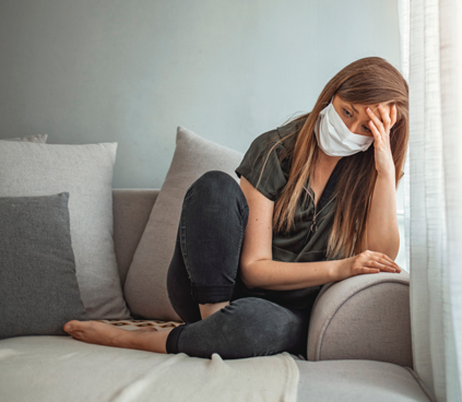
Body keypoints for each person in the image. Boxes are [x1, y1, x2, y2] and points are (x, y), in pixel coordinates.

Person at [63, 57, 408, 359]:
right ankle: (214, 327)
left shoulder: (371, 174)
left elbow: (380, 256)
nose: (348, 129)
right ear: (331, 96)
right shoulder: (275, 149)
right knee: (214, 185)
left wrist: (384, 171)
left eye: (365, 126)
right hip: (212, 290)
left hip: (283, 313)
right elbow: (254, 269)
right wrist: (339, 268)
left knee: (253, 325)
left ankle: (150, 340)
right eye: (346, 111)